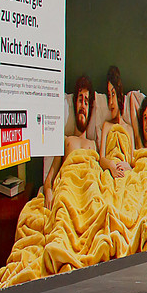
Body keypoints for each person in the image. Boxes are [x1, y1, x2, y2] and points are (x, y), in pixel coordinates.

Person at [45, 75, 98, 209]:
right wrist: (48, 192)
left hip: (89, 192)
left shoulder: (93, 144)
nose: (83, 106)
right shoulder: (65, 140)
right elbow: (49, 178)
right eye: (80, 100)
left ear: (90, 111)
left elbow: (99, 178)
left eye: (86, 102)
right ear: (74, 104)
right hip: (68, 190)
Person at [98, 65, 132, 179]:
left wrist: (127, 166)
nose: (111, 102)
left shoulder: (129, 129)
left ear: (119, 96)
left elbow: (132, 160)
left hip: (126, 172)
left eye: (113, 94)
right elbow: (101, 158)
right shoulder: (107, 126)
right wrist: (111, 166)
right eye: (108, 96)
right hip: (110, 171)